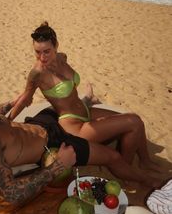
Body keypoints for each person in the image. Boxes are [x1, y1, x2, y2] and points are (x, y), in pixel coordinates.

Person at [0, 71, 162, 202]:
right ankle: (147, 180)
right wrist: (59, 165)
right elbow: (10, 193)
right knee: (112, 157)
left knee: (68, 107)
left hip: (39, 124)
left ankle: (86, 100)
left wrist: (9, 104)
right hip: (53, 145)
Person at [9, 22, 162, 174]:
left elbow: (70, 89)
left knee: (136, 122)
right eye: (37, 52)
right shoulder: (37, 73)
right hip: (73, 126)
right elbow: (25, 98)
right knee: (133, 122)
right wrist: (8, 121)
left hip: (86, 112)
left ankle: (145, 161)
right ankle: (126, 170)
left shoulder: (62, 58)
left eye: (47, 51)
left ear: (56, 46)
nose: (42, 57)